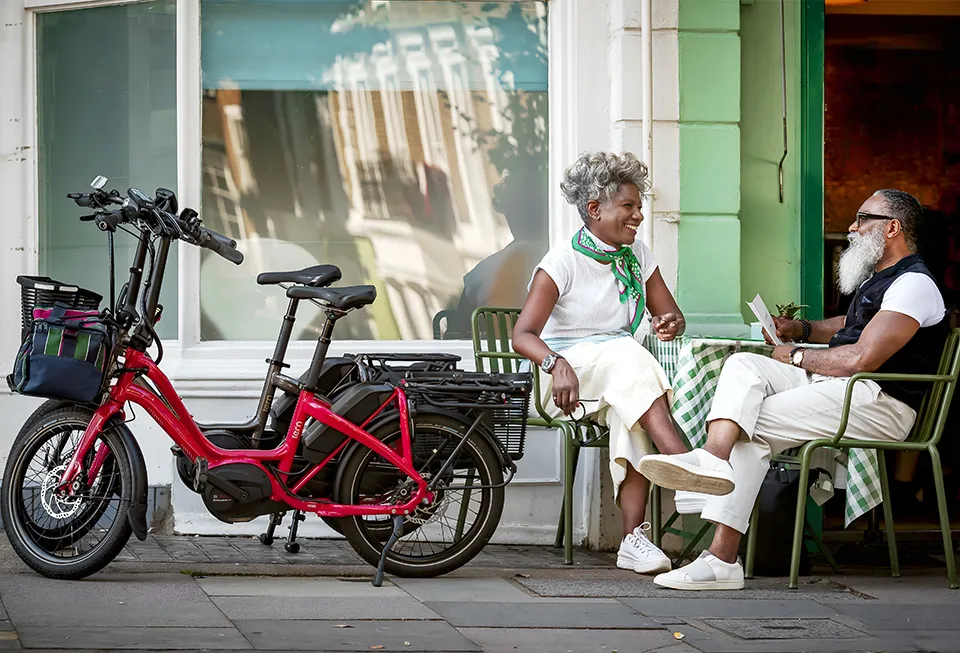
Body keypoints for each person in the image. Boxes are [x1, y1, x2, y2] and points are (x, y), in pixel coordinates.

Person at [639, 189, 948, 590]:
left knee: (748, 426)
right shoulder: (882, 279)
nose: (852, 227)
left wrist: (798, 355)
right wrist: (801, 330)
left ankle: (720, 559)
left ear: (892, 228)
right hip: (844, 387)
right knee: (743, 364)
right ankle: (711, 462)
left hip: (878, 402)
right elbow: (847, 326)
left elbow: (862, 358)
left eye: (862, 218)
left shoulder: (915, 284)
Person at [512, 151, 690, 575]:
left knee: (632, 409)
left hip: (618, 377)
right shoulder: (562, 261)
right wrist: (556, 364)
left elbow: (673, 316)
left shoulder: (639, 257)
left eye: (639, 206)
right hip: (564, 383)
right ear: (594, 209)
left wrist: (670, 323)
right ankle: (687, 468)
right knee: (630, 356)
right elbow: (522, 336)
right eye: (628, 206)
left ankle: (632, 540)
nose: (639, 216)